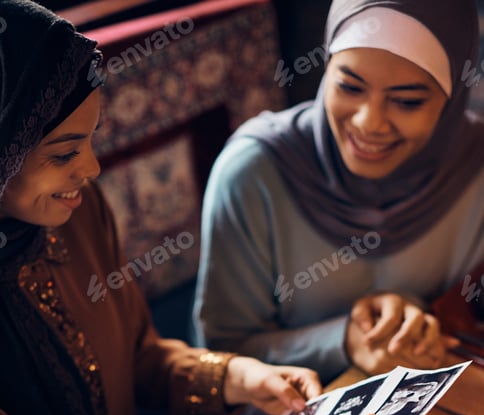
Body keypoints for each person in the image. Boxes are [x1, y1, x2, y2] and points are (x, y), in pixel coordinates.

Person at [0, 0, 378, 415]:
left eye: (89, 142)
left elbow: (138, 354)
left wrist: (239, 377)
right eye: (63, 154)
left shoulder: (73, 215)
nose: (89, 169)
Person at [193, 0, 484, 385]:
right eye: (349, 86)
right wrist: (339, 341)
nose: (369, 122)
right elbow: (215, 362)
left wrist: (418, 319)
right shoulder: (254, 174)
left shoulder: (475, 166)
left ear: (452, 100)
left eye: (407, 101)